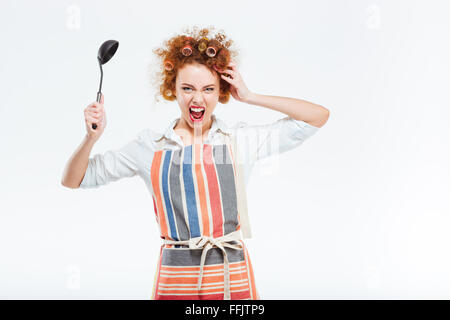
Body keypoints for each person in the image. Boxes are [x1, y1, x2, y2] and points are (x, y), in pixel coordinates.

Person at [61, 26, 330, 300]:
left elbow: (317, 117)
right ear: (172, 89)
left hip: (230, 277)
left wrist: (250, 96)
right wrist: (90, 139)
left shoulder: (238, 141)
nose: (197, 98)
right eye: (187, 88)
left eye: (209, 89)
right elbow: (73, 179)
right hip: (175, 279)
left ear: (222, 91)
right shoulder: (151, 147)